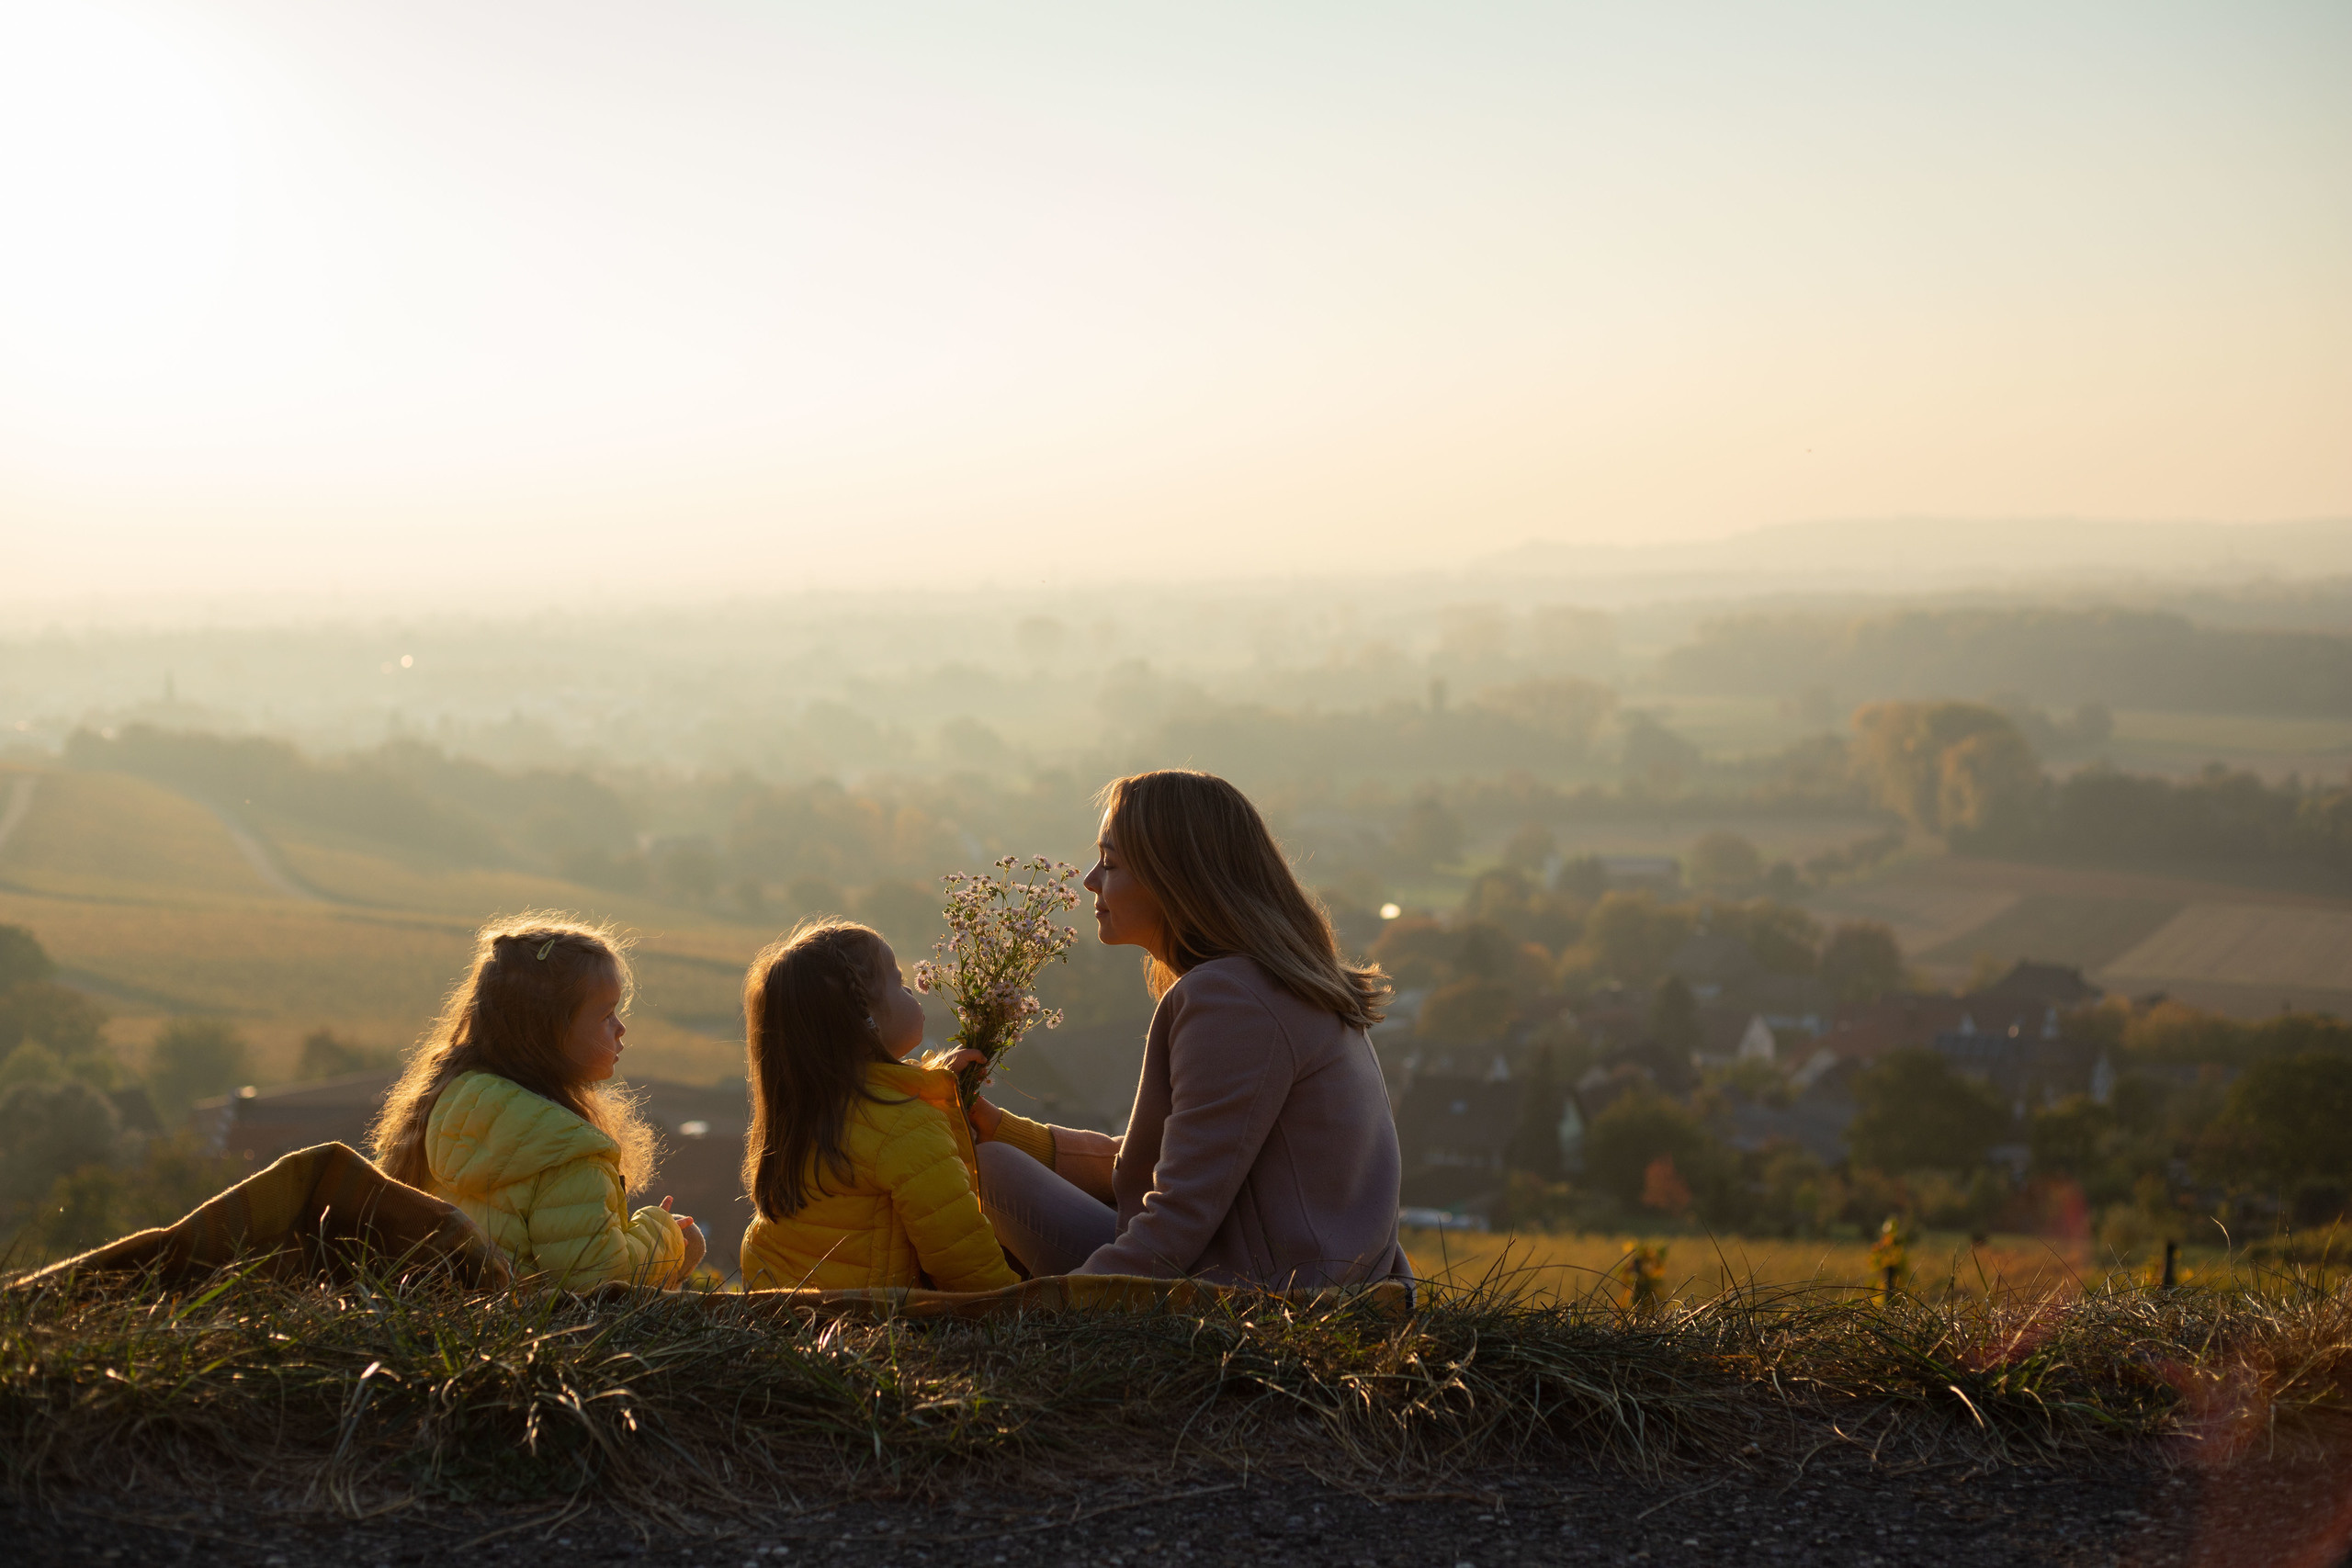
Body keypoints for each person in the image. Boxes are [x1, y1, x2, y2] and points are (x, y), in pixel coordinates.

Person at [969, 770, 1409, 1288]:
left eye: (1110, 862)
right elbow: (1180, 1156)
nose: (1089, 879)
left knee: (986, 1169)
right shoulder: (1273, 983)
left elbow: (1181, 1213)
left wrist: (1054, 1314)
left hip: (1252, 1294)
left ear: (1173, 879)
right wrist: (1002, 1128)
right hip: (1305, 1275)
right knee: (995, 1151)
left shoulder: (1231, 1000)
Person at [371, 915, 705, 1289]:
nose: (621, 1027)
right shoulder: (567, 1151)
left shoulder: (445, 1104)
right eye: (607, 1014)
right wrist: (666, 1238)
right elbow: (599, 1284)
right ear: (548, 1031)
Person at [737, 921, 1022, 1293]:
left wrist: (927, 1080)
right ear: (865, 1018)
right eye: (899, 982)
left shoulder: (798, 1113)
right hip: (870, 1323)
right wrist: (1031, 1308)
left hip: (785, 1314)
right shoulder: (907, 1127)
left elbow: (869, 1106)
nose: (910, 991)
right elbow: (968, 1267)